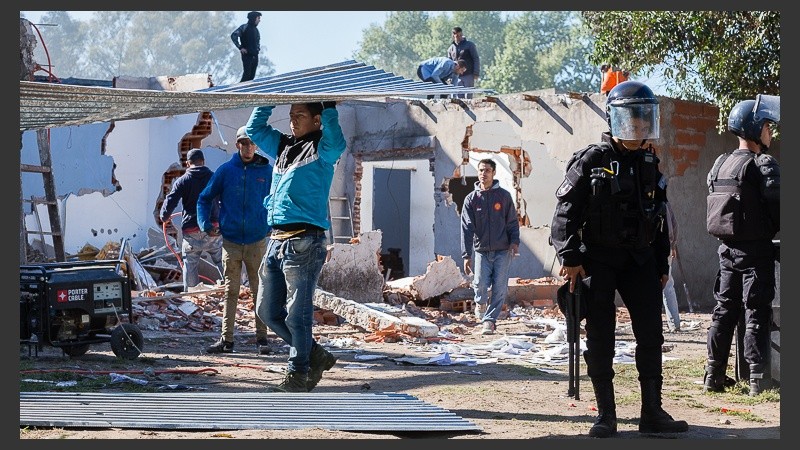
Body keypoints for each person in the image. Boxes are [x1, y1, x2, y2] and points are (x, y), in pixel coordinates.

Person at [550, 80, 688, 438]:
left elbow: (658, 219)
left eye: (644, 119)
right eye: (633, 119)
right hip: (598, 260)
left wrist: (661, 265)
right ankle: (606, 415)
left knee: (651, 334)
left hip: (640, 260)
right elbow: (564, 214)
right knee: (601, 336)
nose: (639, 127)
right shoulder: (591, 160)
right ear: (616, 119)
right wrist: (570, 256)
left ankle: (652, 413)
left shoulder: (649, 162)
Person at [246, 101, 345, 392]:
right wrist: (269, 99)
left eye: (300, 115)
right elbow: (254, 129)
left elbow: (337, 143)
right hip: (276, 239)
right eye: (290, 115)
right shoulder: (284, 146)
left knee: (297, 314)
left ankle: (298, 373)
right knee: (266, 311)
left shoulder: (322, 148)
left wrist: (330, 108)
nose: (293, 120)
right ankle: (314, 353)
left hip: (304, 240)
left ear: (317, 119)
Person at [703, 94, 780, 397]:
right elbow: (779, 208)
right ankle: (758, 380)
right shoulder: (762, 164)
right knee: (756, 312)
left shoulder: (720, 164)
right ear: (755, 128)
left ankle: (713, 375)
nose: (770, 132)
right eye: (767, 127)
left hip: (726, 251)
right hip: (756, 253)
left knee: (723, 311)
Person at [197, 126, 272, 354]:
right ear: (237, 144)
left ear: (256, 145)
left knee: (259, 290)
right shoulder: (226, 171)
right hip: (231, 241)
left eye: (252, 143)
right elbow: (204, 198)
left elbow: (277, 199)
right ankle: (226, 340)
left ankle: (262, 339)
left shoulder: (267, 171)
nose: (248, 147)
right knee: (231, 291)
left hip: (257, 241)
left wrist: (270, 225)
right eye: (244, 143)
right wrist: (205, 224)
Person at [460, 158, 520, 336]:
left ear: (493, 173)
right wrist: (466, 255)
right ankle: (480, 303)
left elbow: (512, 222)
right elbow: (466, 228)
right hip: (481, 251)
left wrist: (514, 242)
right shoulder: (471, 199)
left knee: (499, 287)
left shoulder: (504, 196)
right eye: (480, 170)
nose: (483, 173)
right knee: (479, 283)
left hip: (503, 250)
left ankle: (489, 321)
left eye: (487, 170)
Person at [159, 149, 223, 292]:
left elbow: (170, 201)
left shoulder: (183, 181)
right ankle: (232, 292)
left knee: (190, 263)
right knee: (221, 260)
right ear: (203, 162)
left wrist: (164, 216)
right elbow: (224, 200)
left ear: (188, 163)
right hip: (213, 228)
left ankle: (192, 298)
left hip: (191, 230)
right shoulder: (214, 178)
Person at [662, 201, 681, 332]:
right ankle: (674, 323)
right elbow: (674, 225)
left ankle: (652, 323)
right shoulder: (665, 203)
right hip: (666, 247)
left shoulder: (660, 202)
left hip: (654, 248)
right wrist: (672, 245)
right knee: (668, 285)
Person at [447, 26, 480, 98]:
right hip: (457, 77)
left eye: (460, 35)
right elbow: (449, 64)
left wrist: (476, 72)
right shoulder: (450, 49)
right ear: (453, 36)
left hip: (469, 74)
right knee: (459, 97)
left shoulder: (469, 45)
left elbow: (476, 58)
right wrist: (449, 77)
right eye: (457, 36)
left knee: (468, 96)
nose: (459, 37)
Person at [231, 11, 262, 82]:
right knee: (247, 74)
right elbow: (234, 35)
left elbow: (258, 42)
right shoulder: (244, 27)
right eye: (258, 18)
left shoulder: (256, 30)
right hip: (247, 55)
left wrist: (257, 49)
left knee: (252, 76)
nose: (259, 20)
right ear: (254, 18)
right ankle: (239, 88)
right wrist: (240, 47)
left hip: (255, 56)